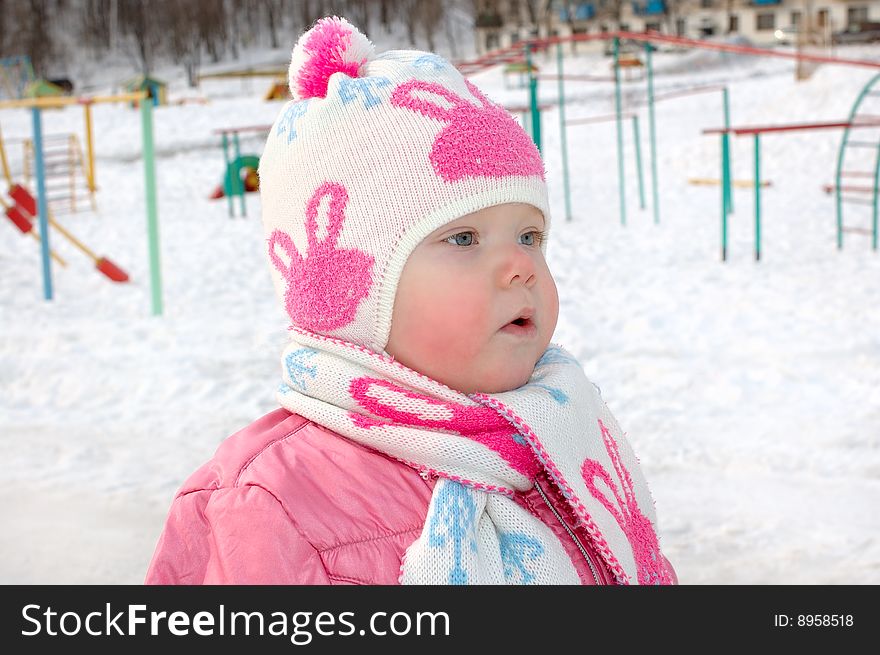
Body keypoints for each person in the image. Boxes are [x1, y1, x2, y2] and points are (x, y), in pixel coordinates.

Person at [145, 16, 677, 586]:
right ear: (354, 296)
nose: (522, 266)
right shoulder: (264, 507)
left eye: (530, 236)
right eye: (464, 239)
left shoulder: (563, 437)